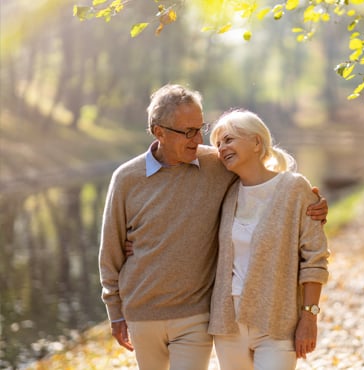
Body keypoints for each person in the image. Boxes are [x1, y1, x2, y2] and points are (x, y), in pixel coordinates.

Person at [99, 84, 328, 370]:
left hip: (197, 314)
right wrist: (115, 311)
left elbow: (268, 185)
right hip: (144, 312)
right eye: (188, 132)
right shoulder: (127, 178)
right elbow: (110, 250)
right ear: (160, 133)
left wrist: (313, 206)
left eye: (200, 128)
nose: (200, 140)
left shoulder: (215, 165)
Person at [208, 109, 330, 370]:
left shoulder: (295, 188)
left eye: (228, 139)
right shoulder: (224, 193)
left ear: (256, 142)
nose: (221, 148)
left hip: (277, 319)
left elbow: (315, 258)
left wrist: (309, 317)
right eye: (218, 144)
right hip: (228, 323)